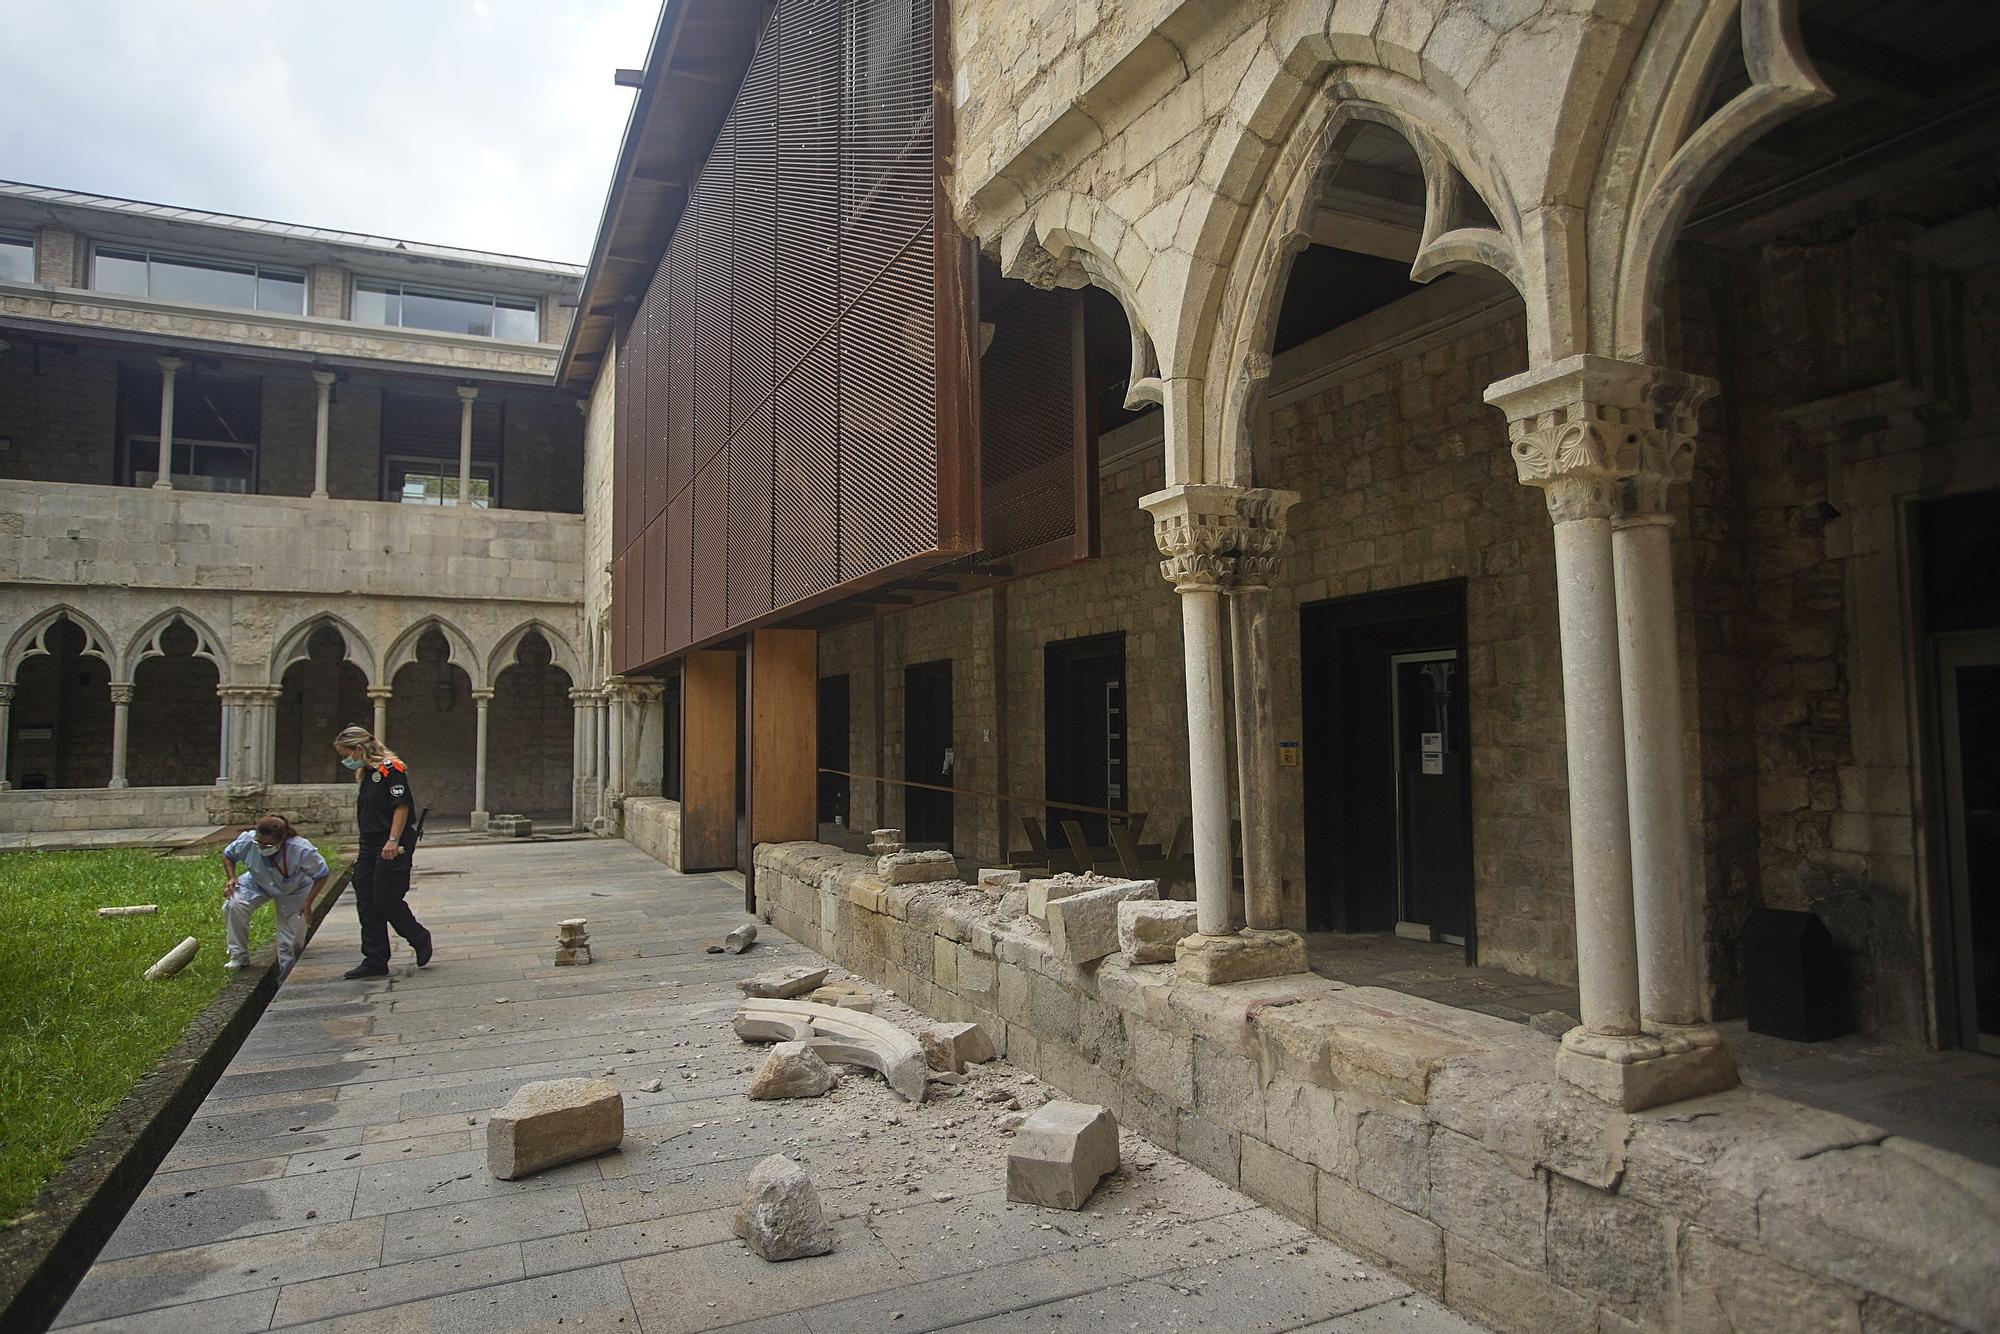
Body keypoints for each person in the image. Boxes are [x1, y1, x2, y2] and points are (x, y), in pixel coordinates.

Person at [332, 724, 432, 978]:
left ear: (359, 749)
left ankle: (418, 936)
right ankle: (375, 958)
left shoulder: (391, 770)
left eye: (346, 754)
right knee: (365, 897)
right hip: (369, 842)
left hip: (391, 841)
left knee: (384, 897)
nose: (346, 760)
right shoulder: (367, 773)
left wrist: (392, 840)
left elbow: (401, 807)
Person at [221, 812, 330, 981]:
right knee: (235, 903)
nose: (263, 848)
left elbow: (322, 874)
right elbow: (228, 855)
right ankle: (238, 956)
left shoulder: (301, 849)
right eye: (260, 843)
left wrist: (308, 902)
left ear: (282, 839)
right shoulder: (248, 840)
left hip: (294, 889)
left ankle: (286, 979)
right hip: (257, 881)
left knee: (291, 943)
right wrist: (231, 877)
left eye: (268, 845)